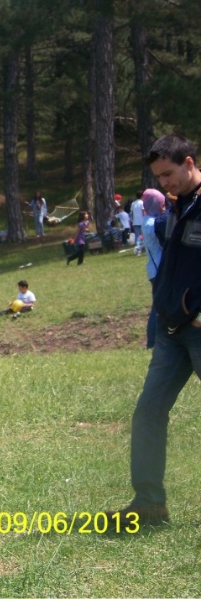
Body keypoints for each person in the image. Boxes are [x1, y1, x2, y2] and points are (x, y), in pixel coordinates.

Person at [105, 134, 201, 527]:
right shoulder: (177, 205)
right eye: (159, 177)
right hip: (171, 330)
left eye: (168, 174)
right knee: (148, 413)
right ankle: (148, 504)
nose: (164, 183)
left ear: (189, 162)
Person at [141, 189, 166, 349]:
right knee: (158, 307)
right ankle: (152, 341)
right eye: (162, 204)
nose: (164, 207)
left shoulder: (149, 220)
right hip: (158, 271)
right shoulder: (151, 224)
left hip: (156, 270)